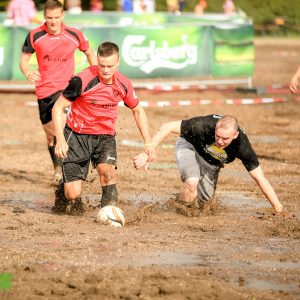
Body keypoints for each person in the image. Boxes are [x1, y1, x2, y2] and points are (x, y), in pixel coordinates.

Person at [51, 41, 155, 215]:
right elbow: (58, 107)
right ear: (97, 61)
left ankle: (110, 213)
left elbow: (137, 111)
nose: (105, 70)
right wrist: (60, 140)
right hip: (77, 135)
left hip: (105, 136)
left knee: (107, 172)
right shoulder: (81, 80)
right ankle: (65, 187)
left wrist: (148, 143)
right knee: (72, 194)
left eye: (110, 66)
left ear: (118, 62)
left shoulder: (123, 83)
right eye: (101, 65)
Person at [133, 114, 287, 216]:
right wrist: (149, 150)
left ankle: (177, 204)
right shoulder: (203, 125)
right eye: (217, 136)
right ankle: (179, 214)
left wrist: (279, 209)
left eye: (225, 139)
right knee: (192, 183)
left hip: (211, 162)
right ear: (215, 129)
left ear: (235, 135)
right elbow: (167, 126)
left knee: (205, 207)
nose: (220, 141)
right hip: (190, 146)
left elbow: (260, 178)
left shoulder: (243, 147)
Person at [19, 0, 97, 184]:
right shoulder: (34, 35)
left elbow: (89, 53)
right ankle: (57, 166)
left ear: (62, 16)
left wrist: (95, 76)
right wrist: (27, 72)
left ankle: (71, 168)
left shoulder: (74, 34)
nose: (53, 22)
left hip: (66, 88)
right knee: (51, 135)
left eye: (56, 17)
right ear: (44, 17)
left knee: (66, 128)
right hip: (45, 90)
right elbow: (23, 59)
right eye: (49, 18)